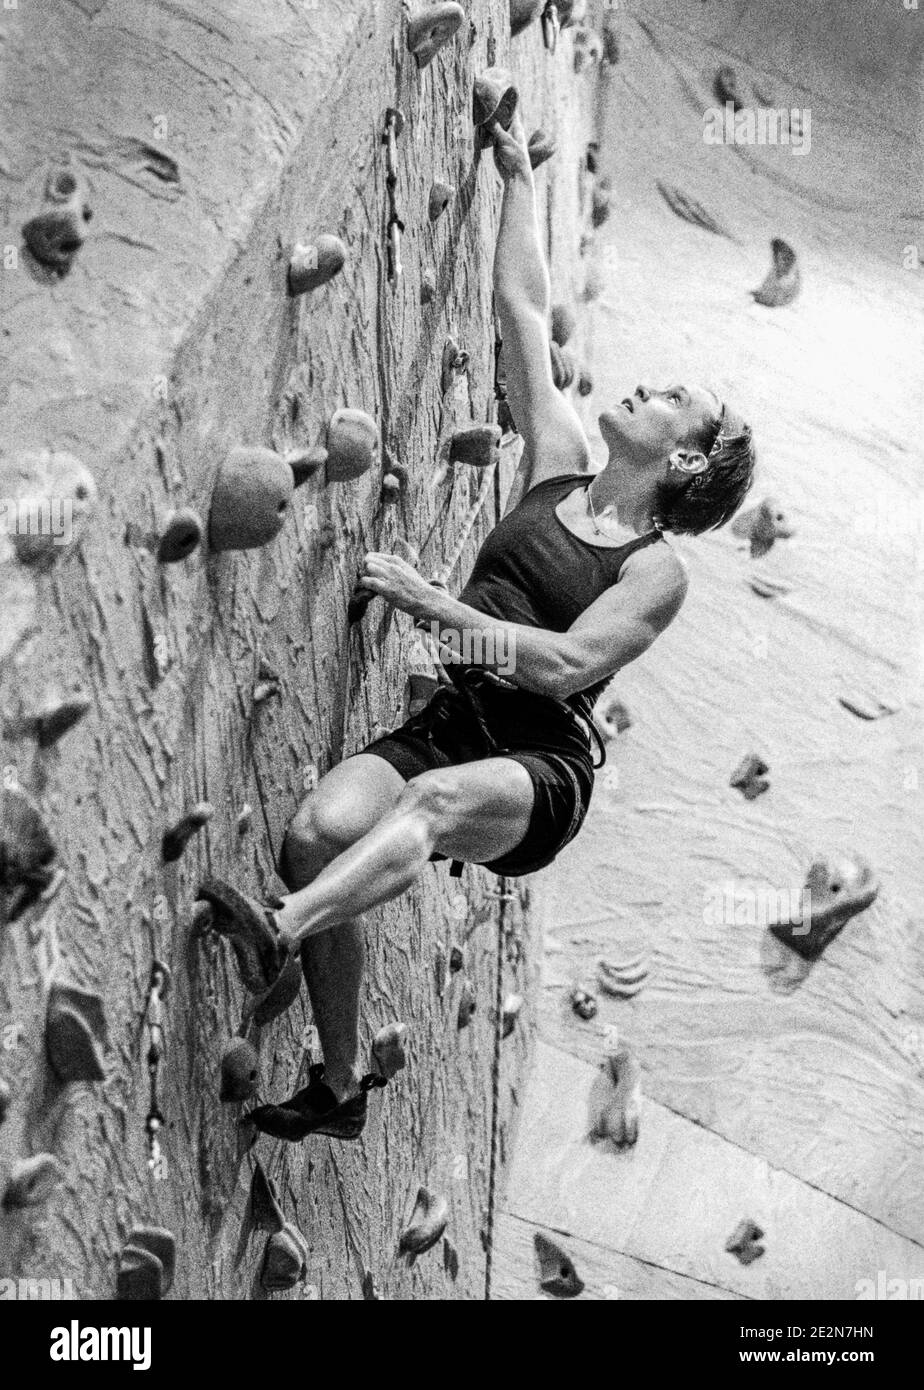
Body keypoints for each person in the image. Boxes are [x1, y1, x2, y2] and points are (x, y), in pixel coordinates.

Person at [197, 112, 756, 1141]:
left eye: (675, 396)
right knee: (315, 833)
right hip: (457, 715)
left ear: (685, 460)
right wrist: (514, 179)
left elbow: (567, 664)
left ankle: (279, 934)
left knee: (431, 801)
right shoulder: (560, 461)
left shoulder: (656, 570)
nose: (648, 383)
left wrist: (435, 606)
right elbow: (523, 311)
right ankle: (340, 1083)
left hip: (538, 764)